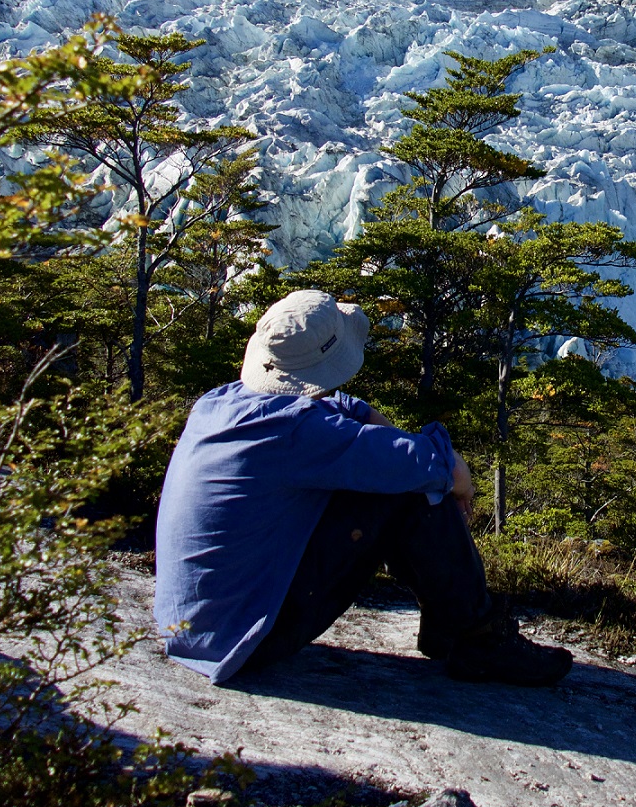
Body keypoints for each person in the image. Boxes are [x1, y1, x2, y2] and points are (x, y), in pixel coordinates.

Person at [154, 289, 573, 687]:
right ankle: (480, 638)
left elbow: (340, 410)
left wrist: (373, 422)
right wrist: (456, 480)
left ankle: (455, 631)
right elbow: (436, 466)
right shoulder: (300, 433)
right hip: (243, 639)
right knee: (406, 494)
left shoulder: (219, 401)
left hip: (197, 627)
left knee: (391, 474)